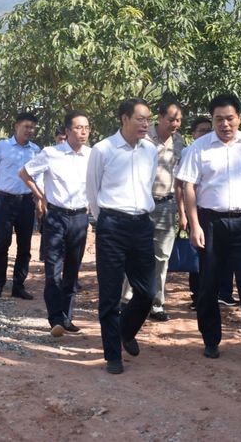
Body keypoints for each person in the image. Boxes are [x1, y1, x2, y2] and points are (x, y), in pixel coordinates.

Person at [177, 93, 241, 365]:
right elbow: (188, 186)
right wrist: (194, 224)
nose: (225, 124)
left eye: (230, 118)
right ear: (212, 120)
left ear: (239, 118)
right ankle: (211, 340)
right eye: (218, 119)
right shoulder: (199, 148)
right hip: (211, 223)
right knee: (208, 283)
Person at [86, 98, 158, 374]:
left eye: (148, 119)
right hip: (112, 226)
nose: (146, 124)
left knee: (147, 292)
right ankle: (112, 356)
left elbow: (148, 185)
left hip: (142, 225)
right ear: (124, 119)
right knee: (110, 293)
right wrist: (103, 220)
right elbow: (92, 190)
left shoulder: (150, 150)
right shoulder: (103, 149)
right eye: (140, 118)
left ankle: (125, 331)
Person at [20, 111, 91, 337]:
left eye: (86, 128)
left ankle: (67, 317)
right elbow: (25, 173)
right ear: (68, 131)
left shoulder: (92, 155)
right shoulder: (51, 153)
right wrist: (40, 196)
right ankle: (55, 319)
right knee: (53, 270)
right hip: (56, 217)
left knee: (72, 270)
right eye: (78, 128)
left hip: (80, 218)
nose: (83, 132)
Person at [122, 99, 184, 322]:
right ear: (160, 117)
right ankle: (127, 299)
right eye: (171, 119)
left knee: (162, 257)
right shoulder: (143, 137)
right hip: (141, 204)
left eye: (178, 120)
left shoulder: (180, 142)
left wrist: (182, 211)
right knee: (135, 253)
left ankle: (156, 304)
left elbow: (180, 179)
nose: (175, 124)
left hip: (167, 205)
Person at [0, 112, 40, 300]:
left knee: (24, 245)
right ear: (17, 126)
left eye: (32, 127)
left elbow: (39, 178)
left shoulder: (36, 151)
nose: (29, 130)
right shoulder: (2, 147)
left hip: (26, 202)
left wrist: (39, 200)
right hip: (5, 201)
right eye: (26, 126)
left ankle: (18, 285)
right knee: (3, 242)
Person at [175, 116, 212, 310]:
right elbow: (180, 186)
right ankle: (197, 296)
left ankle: (214, 295)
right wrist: (183, 214)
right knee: (197, 255)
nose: (206, 134)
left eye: (208, 130)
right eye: (201, 130)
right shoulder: (188, 152)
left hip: (212, 213)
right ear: (193, 134)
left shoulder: (216, 151)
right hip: (195, 213)